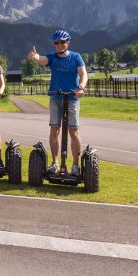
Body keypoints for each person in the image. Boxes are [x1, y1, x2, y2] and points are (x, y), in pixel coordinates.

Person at [26, 30, 88, 175]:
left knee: (73, 131)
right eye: (56, 43)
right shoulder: (53, 57)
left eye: (62, 42)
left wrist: (81, 88)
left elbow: (83, 74)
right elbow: (42, 59)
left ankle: (75, 165)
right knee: (55, 130)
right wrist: (34, 56)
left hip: (72, 98)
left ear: (68, 42)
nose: (59, 45)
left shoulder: (76, 57)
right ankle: (55, 163)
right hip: (55, 97)